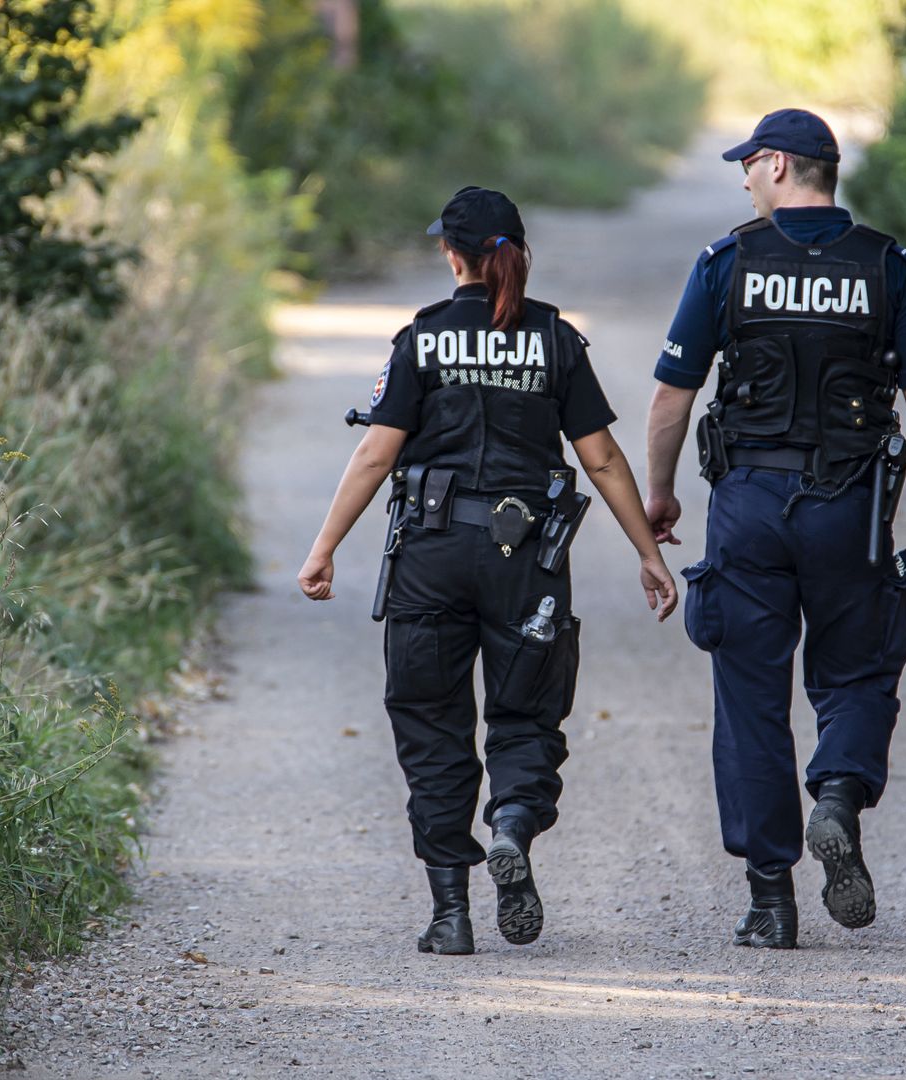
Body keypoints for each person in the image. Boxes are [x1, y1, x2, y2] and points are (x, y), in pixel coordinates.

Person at [299, 186, 678, 955]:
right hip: (528, 560)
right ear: (518, 255)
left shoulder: (423, 339)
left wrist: (324, 546)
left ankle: (450, 913)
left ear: (452, 255)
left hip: (431, 558)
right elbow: (599, 457)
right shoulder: (555, 340)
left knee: (433, 722)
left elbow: (377, 451)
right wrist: (646, 550)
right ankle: (511, 825)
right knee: (526, 714)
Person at [643, 110, 906, 949]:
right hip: (850, 510)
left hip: (749, 506)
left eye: (749, 165)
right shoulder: (887, 266)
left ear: (782, 167)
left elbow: (673, 395)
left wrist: (659, 494)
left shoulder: (727, 262)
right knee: (861, 670)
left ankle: (769, 901)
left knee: (751, 697)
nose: (743, 179)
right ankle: (837, 796)